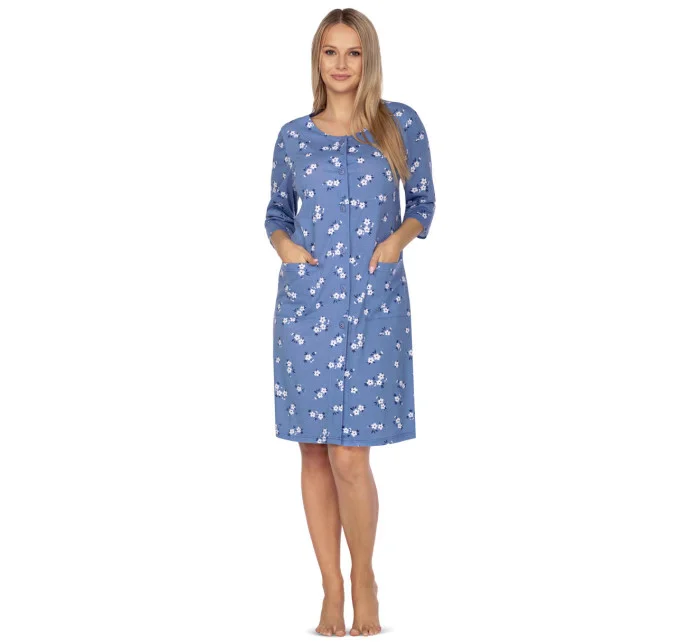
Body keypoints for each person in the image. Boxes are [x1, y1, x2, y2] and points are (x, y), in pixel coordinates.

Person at [264, 8, 436, 637]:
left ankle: (364, 577)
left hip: (374, 305)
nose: (341, 64)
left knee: (351, 458)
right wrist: (286, 247)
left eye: (353, 52)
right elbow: (276, 211)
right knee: (313, 451)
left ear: (369, 59)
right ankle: (330, 587)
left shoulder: (399, 125)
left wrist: (395, 244)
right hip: (306, 309)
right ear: (317, 59)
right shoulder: (293, 136)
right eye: (330, 52)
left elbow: (423, 202)